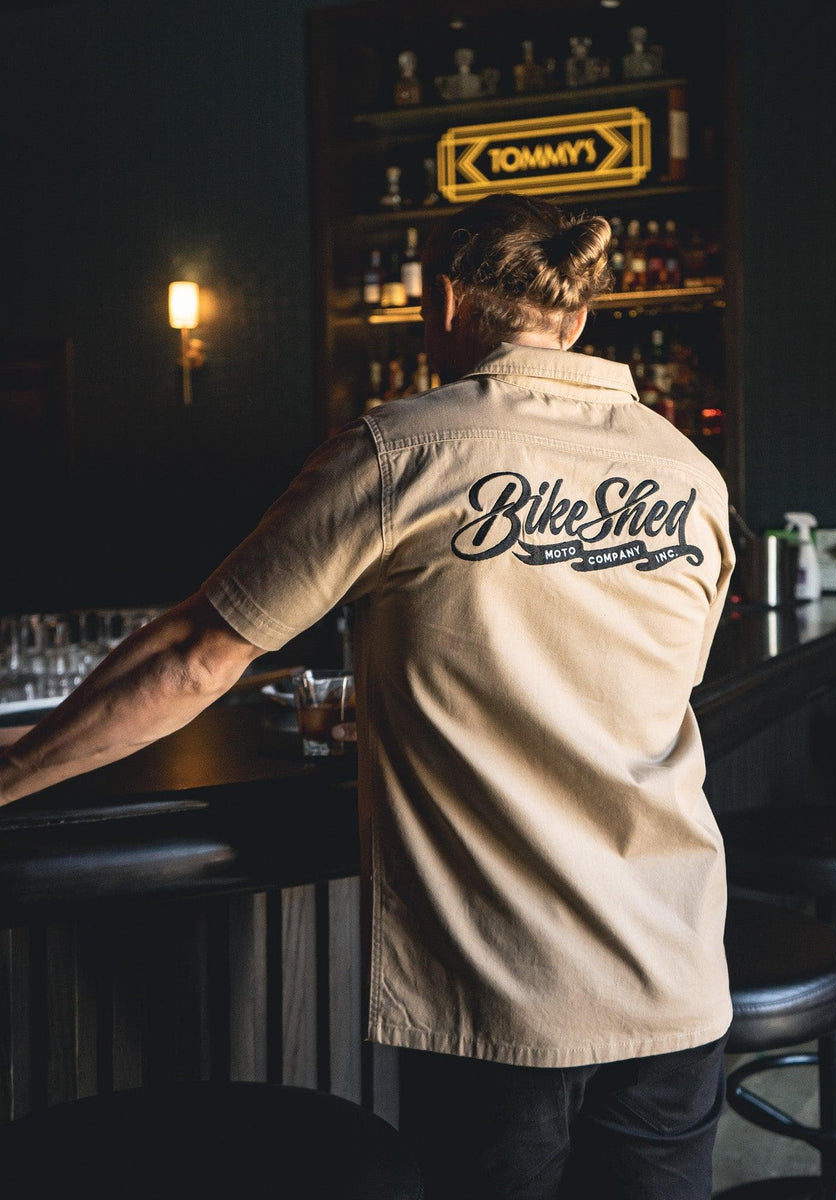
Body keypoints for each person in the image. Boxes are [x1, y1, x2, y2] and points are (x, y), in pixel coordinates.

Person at [0, 192, 734, 1199]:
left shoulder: (405, 449)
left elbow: (195, 658)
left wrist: (12, 770)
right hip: (680, 977)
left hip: (508, 998)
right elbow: (639, 691)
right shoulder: (691, 474)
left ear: (443, 299)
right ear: (575, 315)